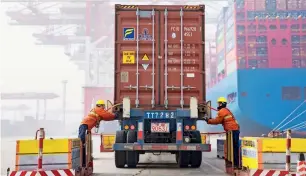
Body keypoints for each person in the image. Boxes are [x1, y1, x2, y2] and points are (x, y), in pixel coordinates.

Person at [78, 99, 119, 166]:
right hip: (84, 126)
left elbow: (107, 118)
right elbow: (107, 115)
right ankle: (81, 158)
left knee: (83, 143)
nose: (104, 107)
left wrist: (113, 117)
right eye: (103, 106)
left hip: (85, 126)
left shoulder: (97, 111)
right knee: (81, 143)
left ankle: (83, 159)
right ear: (101, 105)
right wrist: (115, 115)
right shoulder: (98, 110)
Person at [205, 97, 240, 168]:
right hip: (234, 130)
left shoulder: (222, 111)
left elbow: (217, 121)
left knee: (233, 147)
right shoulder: (225, 110)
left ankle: (235, 163)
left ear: (221, 103)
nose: (218, 104)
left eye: (219, 103)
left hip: (232, 131)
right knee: (234, 147)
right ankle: (235, 163)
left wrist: (208, 120)